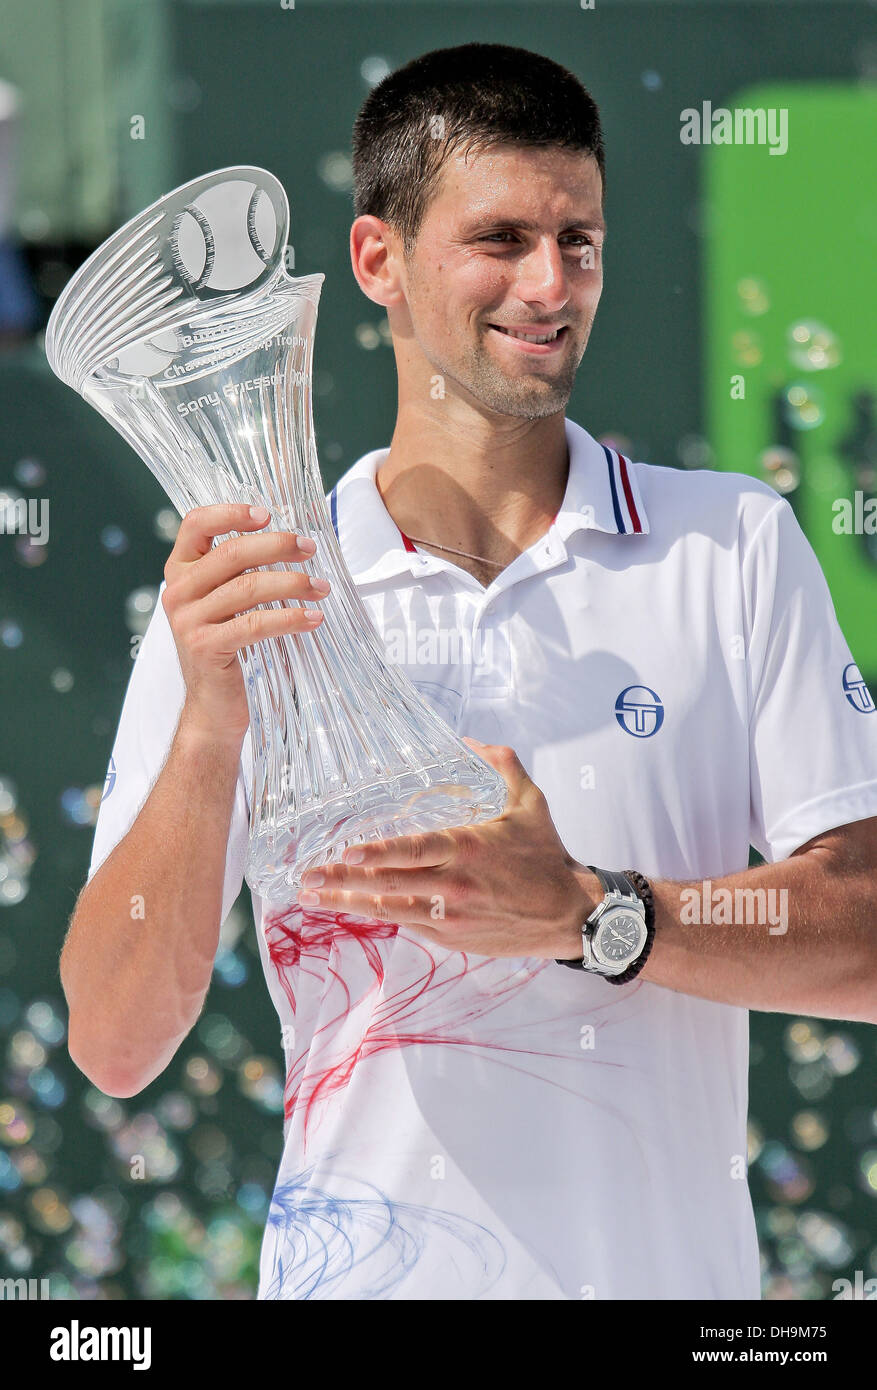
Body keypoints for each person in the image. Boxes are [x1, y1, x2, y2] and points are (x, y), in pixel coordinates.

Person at [61, 43, 877, 1301]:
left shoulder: (733, 546)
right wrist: (213, 731)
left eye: (580, 240)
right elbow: (114, 1039)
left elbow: (864, 935)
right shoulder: (241, 596)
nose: (549, 285)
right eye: (499, 238)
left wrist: (594, 916)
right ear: (378, 260)